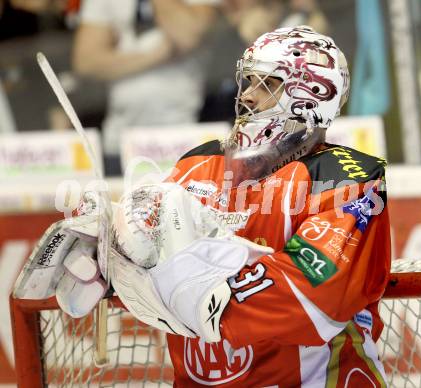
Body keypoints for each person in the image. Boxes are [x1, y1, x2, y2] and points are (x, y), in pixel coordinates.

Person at [16, 26, 391, 386]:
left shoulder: (349, 178)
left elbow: (315, 300)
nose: (247, 96)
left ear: (310, 95)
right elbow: (151, 252)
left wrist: (195, 297)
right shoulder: (198, 163)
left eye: (267, 84)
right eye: (248, 82)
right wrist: (113, 258)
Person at [73, 0, 219, 174]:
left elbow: (186, 35)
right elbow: (86, 62)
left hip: (186, 137)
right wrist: (157, 54)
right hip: (120, 140)